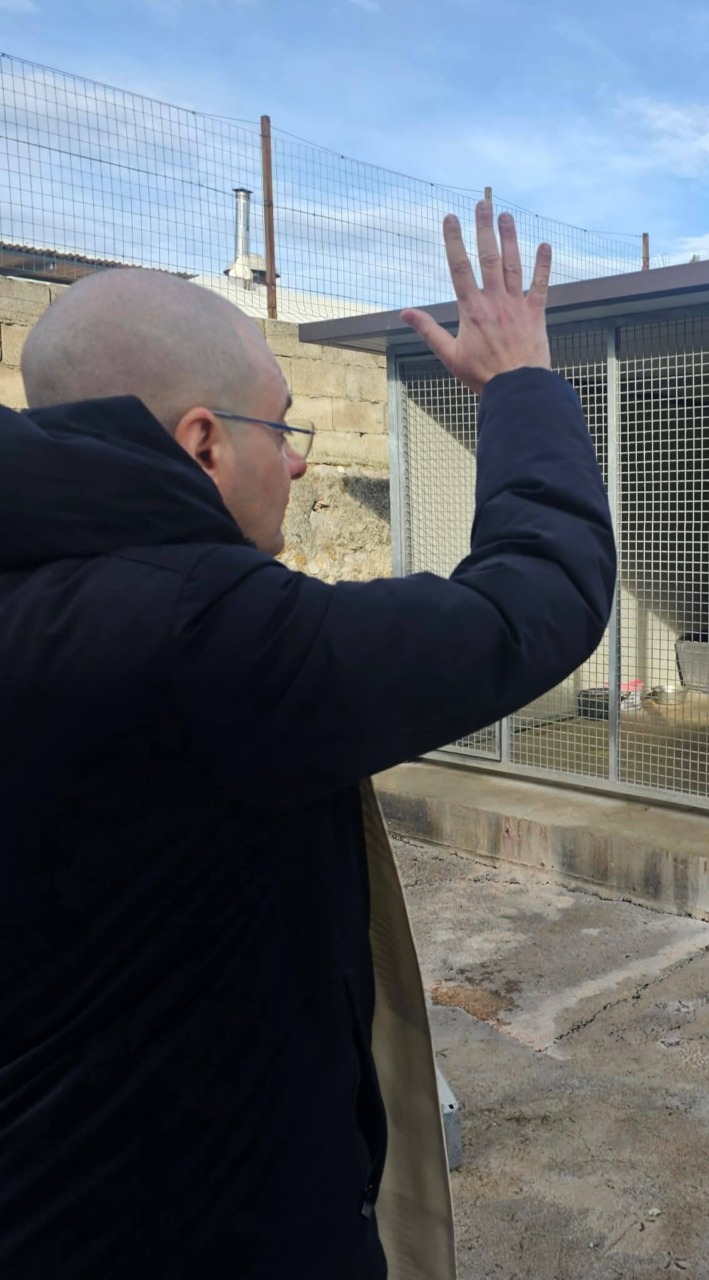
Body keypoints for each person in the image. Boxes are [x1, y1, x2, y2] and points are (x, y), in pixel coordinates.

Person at [0, 203, 616, 1279]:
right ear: (202, 441)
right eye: (282, 429)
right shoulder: (203, 635)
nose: (295, 467)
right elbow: (537, 600)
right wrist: (522, 383)